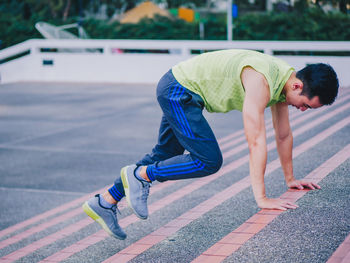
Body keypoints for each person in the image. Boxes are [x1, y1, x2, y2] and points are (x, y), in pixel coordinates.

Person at [82, 49, 339, 240]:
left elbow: (283, 135)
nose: (302, 110)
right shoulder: (262, 81)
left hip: (181, 88)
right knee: (207, 160)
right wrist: (262, 198)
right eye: (305, 104)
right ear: (298, 85)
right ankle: (141, 174)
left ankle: (105, 202)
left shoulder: (285, 81)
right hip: (179, 90)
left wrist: (290, 178)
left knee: (167, 153)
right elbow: (256, 140)